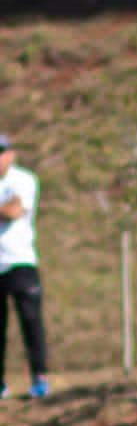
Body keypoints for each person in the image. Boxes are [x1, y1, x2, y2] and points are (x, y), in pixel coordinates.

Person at [0, 135, 46, 398]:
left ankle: (39, 377)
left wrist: (7, 208)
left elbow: (14, 211)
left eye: (1, 152)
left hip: (19, 260)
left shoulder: (23, 179)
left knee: (30, 321)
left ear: (11, 155)